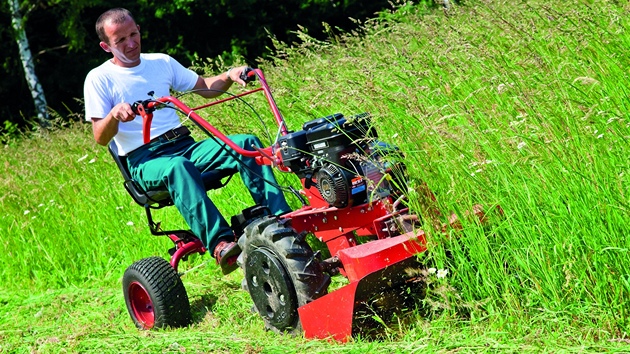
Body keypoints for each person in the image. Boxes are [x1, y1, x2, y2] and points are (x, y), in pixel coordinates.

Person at [84, 8, 291, 274]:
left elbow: (206, 87)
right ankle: (221, 244)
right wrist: (114, 114)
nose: (132, 43)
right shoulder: (98, 79)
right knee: (177, 168)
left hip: (185, 146)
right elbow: (100, 136)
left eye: (134, 34)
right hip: (145, 160)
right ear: (106, 46)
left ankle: (280, 222)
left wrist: (228, 75)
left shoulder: (161, 62)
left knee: (247, 144)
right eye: (120, 40)